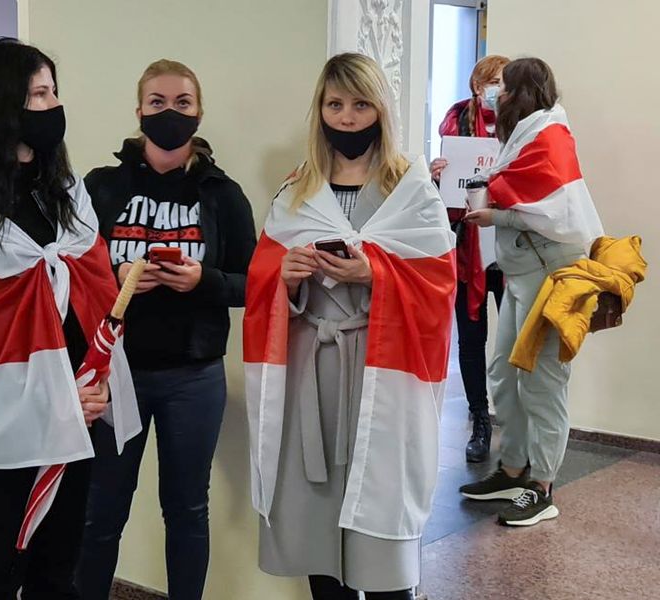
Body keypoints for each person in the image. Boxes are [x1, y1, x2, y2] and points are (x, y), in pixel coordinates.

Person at [0, 38, 139, 599]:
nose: (52, 105)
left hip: (72, 415)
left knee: (57, 566)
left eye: (53, 92)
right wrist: (59, 392)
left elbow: (91, 292)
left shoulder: (63, 191)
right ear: (3, 105)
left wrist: (92, 382)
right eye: (39, 94)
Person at [243, 53, 456, 600]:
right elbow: (262, 281)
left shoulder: (410, 189)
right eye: (335, 105)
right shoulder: (297, 190)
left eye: (361, 105)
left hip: (382, 373)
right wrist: (285, 280)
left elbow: (437, 284)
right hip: (312, 375)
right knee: (317, 523)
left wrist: (375, 272)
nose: (348, 118)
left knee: (379, 513)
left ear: (380, 110)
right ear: (320, 111)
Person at [75, 59, 257, 600]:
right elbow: (70, 274)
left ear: (199, 113)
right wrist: (115, 276)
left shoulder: (223, 194)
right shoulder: (101, 187)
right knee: (101, 509)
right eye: (157, 102)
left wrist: (200, 280)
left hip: (193, 376)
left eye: (182, 103)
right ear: (138, 112)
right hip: (114, 374)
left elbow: (251, 285)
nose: (169, 113)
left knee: (187, 510)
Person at [459, 58, 604, 526]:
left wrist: (494, 215)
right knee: (504, 372)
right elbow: (514, 188)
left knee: (542, 382)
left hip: (551, 273)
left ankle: (542, 486)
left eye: (501, 86)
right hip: (523, 273)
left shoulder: (550, 135)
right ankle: (513, 468)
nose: (492, 93)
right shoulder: (524, 132)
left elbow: (552, 214)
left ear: (521, 90)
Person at [431, 54, 510, 462]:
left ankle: (518, 425)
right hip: (467, 249)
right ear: (477, 86)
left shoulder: (521, 123)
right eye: (492, 81)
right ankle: (479, 418)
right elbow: (444, 187)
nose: (499, 88)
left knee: (516, 336)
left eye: (504, 81)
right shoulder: (456, 122)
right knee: (471, 337)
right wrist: (436, 174)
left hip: (510, 247)